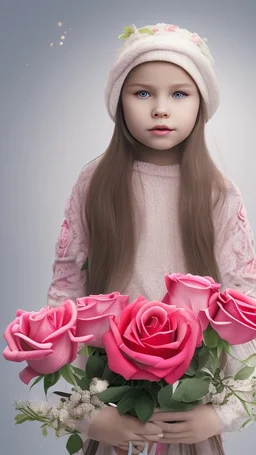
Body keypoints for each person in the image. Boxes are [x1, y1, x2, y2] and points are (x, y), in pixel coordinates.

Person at [47, 22, 256, 455]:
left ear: (201, 103)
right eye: (142, 93)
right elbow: (66, 297)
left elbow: (244, 302)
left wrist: (219, 415)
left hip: (188, 413)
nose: (161, 109)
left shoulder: (218, 192)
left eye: (179, 93)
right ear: (119, 100)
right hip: (114, 408)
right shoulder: (95, 183)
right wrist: (89, 413)